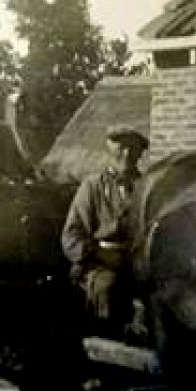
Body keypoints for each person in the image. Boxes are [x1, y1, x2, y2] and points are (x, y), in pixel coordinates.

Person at [61, 124, 149, 336]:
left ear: (139, 154)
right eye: (121, 148)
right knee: (110, 285)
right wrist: (100, 254)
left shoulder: (146, 188)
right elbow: (71, 236)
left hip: (138, 262)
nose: (127, 154)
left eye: (133, 148)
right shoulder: (92, 187)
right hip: (98, 263)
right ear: (111, 150)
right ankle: (106, 339)